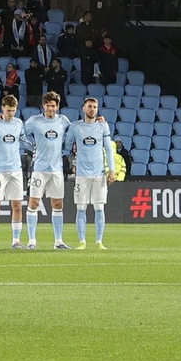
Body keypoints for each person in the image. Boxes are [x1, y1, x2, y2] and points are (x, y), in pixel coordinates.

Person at [24, 92, 73, 249]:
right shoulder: (34, 121)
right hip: (39, 169)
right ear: (43, 106)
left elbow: (74, 132)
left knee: (58, 204)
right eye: (48, 105)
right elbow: (19, 133)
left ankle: (58, 241)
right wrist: (30, 146)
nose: (50, 108)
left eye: (53, 105)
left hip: (57, 169)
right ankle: (32, 241)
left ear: (57, 107)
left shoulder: (63, 121)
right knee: (34, 202)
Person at [68, 96, 115, 249]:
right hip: (81, 174)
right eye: (89, 106)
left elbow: (109, 149)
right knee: (81, 207)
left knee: (99, 208)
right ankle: (82, 241)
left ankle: (99, 241)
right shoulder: (75, 127)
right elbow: (67, 146)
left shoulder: (103, 126)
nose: (92, 109)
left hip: (99, 173)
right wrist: (73, 162)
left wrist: (112, 170)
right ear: (83, 108)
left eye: (94, 107)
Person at [0, 94, 27, 249]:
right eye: (8, 110)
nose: (11, 113)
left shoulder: (18, 123)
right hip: (0, 171)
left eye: (13, 110)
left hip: (16, 170)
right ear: (2, 108)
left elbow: (23, 140)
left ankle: (16, 240)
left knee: (17, 205)